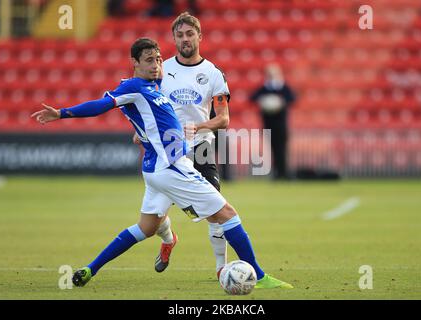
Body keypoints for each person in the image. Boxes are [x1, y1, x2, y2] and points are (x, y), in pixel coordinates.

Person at [31, 37, 292, 289]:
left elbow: (150, 120)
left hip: (156, 169)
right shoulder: (133, 87)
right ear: (135, 63)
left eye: (157, 59)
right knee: (227, 214)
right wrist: (63, 113)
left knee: (145, 228)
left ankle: (91, 269)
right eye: (148, 60)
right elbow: (101, 105)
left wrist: (144, 133)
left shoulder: (154, 88)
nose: (156, 65)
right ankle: (258, 276)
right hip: (171, 167)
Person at [133, 12, 230, 279]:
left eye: (190, 34)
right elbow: (145, 104)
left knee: (217, 210)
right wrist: (141, 131)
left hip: (201, 148)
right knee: (153, 221)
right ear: (174, 38)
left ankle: (221, 267)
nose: (185, 39)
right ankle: (168, 240)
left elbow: (223, 119)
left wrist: (199, 127)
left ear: (200, 36)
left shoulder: (213, 73)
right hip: (167, 151)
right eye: (179, 35)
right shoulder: (161, 71)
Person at [250, 63, 296, 180]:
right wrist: (263, 101)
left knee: (282, 148)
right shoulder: (264, 88)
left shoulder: (283, 87)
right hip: (268, 124)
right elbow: (252, 98)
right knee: (273, 148)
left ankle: (284, 172)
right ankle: (277, 173)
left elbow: (293, 98)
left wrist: (280, 101)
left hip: (281, 124)